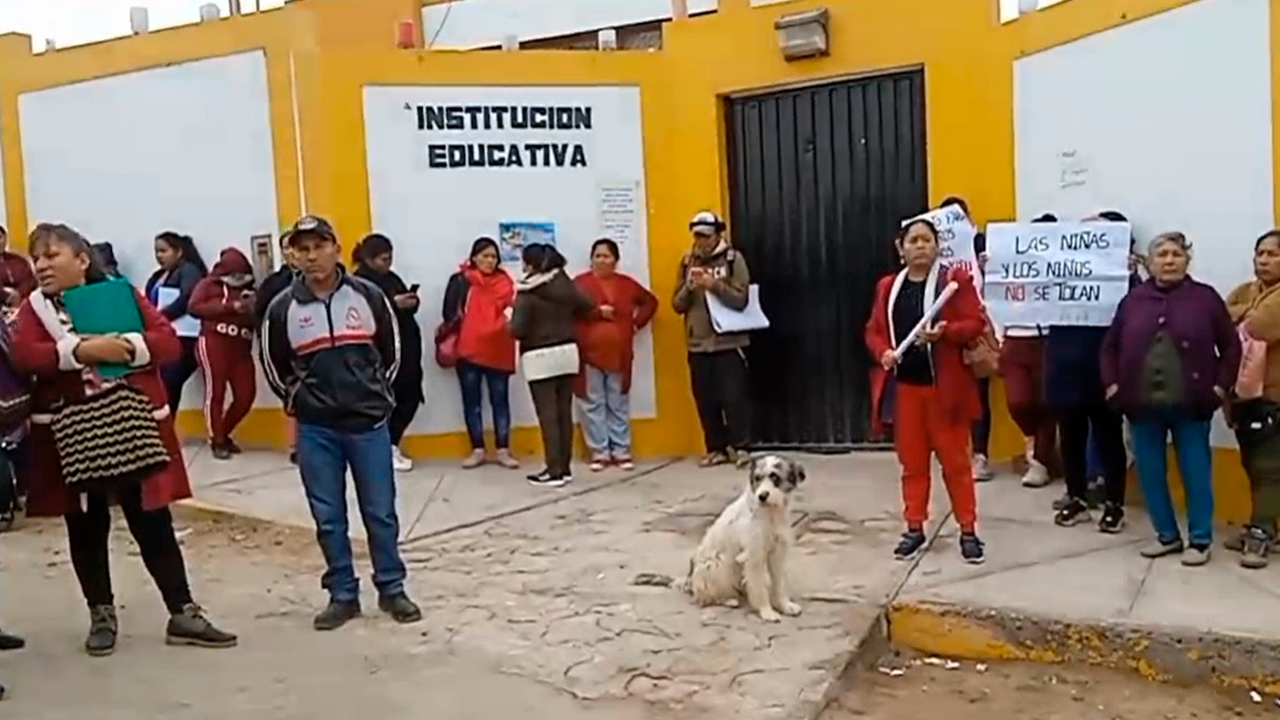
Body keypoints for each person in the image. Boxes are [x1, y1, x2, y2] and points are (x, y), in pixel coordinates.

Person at [10, 223, 235, 655]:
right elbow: (24, 356)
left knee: (152, 521)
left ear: (82, 260)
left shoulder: (120, 295)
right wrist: (79, 352)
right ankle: (102, 615)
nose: (41, 265)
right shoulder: (33, 310)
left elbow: (167, 343)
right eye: (36, 258)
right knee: (86, 526)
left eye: (52, 255)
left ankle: (183, 611)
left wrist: (127, 348)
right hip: (73, 437)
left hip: (132, 428)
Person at [260, 215, 421, 630]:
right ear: (293, 255)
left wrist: (376, 397)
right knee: (329, 517)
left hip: (368, 425)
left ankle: (392, 588)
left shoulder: (368, 296)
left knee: (380, 512)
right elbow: (273, 364)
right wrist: (300, 401)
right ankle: (343, 594)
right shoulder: (283, 308)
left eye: (320, 246)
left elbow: (392, 351)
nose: (312, 256)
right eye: (303, 249)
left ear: (336, 248)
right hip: (317, 430)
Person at [1101, 231, 1240, 566]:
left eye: (1176, 254)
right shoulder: (1133, 300)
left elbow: (1231, 347)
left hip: (1192, 405)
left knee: (1196, 474)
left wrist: (1219, 388)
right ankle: (1166, 536)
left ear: (1187, 260)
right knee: (1150, 473)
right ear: (1149, 263)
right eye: (1161, 254)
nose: (1169, 260)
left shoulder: (1205, 299)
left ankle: (1200, 541)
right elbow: (1109, 347)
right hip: (1141, 405)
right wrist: (1113, 387)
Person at [866, 219, 987, 564]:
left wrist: (946, 333)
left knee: (956, 464)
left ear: (937, 246)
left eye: (927, 240)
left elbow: (975, 323)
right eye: (913, 240)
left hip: (944, 391)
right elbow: (873, 330)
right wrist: (883, 352)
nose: (920, 246)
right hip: (906, 391)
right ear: (900, 248)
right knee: (912, 464)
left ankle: (968, 530)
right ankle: (914, 527)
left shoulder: (953, 282)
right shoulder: (888, 287)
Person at [1045, 211, 1133, 533]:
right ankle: (1076, 497)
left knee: (1109, 438)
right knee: (1070, 438)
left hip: (1104, 371)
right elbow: (1023, 291)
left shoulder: (1123, 278)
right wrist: (997, 267)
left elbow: (1136, 309)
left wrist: (1131, 274)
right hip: (1064, 366)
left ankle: (1114, 504)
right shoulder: (1057, 272)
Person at [509, 243, 596, 487]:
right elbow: (588, 306)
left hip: (539, 355)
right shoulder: (565, 285)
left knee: (547, 415)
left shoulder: (527, 291)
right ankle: (564, 468)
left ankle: (553, 470)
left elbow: (517, 329)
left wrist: (507, 319)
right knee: (563, 413)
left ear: (530, 264)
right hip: (568, 352)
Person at [673, 211, 753, 468]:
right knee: (705, 400)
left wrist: (714, 285)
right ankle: (716, 447)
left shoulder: (733, 259)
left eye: (706, 236)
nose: (701, 241)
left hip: (728, 341)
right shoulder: (687, 262)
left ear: (717, 235)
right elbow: (677, 305)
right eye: (697, 236)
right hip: (698, 343)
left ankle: (740, 446)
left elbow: (741, 299)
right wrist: (690, 287)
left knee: (734, 398)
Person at [573, 238, 658, 472]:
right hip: (588, 355)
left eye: (607, 256)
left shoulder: (626, 284)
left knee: (618, 402)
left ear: (616, 260)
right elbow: (569, 310)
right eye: (598, 256)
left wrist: (635, 324)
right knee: (592, 403)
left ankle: (621, 450)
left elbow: (650, 302)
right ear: (591, 259)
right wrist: (596, 313)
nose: (602, 260)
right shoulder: (579, 284)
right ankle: (599, 451)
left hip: (619, 355)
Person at [1225, 229, 1280, 568]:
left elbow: (1259, 327)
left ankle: (1261, 533)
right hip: (1243, 394)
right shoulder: (1248, 291)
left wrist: (1242, 315)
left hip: (1274, 395)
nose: (1264, 260)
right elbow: (1220, 319)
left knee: (1269, 467)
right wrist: (1244, 312)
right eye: (1260, 254)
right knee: (1252, 463)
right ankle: (1265, 525)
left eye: (1273, 254)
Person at [442, 237, 519, 470]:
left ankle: (503, 449)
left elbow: (513, 310)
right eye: (484, 256)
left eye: (493, 256)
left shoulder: (506, 283)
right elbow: (449, 312)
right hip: (469, 350)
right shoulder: (461, 280)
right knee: (472, 402)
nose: (489, 260)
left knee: (500, 401)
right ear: (474, 258)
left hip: (498, 348)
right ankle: (477, 449)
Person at [354, 234, 423, 473]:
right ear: (369, 259)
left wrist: (411, 302)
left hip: (406, 349)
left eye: (390, 258)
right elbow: (365, 313)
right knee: (385, 401)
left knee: (410, 396)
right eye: (383, 259)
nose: (388, 263)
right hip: (381, 353)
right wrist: (393, 304)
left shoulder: (391, 278)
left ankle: (391, 443)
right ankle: (383, 448)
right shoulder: (360, 284)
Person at [1000, 212, 1060, 487]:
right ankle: (1031, 438)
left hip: (1048, 338)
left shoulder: (1064, 267)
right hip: (1015, 338)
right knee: (1018, 401)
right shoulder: (1010, 266)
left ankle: (1040, 463)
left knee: (1047, 402)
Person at [939, 197, 995, 482]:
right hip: (945, 327)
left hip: (975, 325)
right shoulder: (935, 249)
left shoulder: (982, 244)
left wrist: (988, 266)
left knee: (979, 393)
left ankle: (980, 455)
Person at [188, 248, 258, 460]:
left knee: (246, 395)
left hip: (241, 345)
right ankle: (217, 440)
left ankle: (223, 432)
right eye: (233, 275)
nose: (238, 279)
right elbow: (194, 307)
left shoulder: (251, 289)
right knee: (215, 392)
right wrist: (229, 306)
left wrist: (253, 308)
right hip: (213, 342)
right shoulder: (208, 284)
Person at [145, 232, 208, 415]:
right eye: (156, 251)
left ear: (178, 252)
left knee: (171, 382)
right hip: (165, 336)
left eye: (164, 251)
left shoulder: (189, 271)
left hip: (185, 338)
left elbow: (187, 298)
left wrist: (161, 316)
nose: (159, 256)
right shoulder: (158, 276)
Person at [255, 230, 299, 464]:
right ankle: (297, 445)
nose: (292, 252)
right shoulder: (274, 283)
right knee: (292, 397)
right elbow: (260, 316)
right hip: (284, 350)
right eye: (287, 248)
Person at [0, 225, 36, 310]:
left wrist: (19, 293)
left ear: (5, 238)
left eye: (0, 238)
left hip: (25, 303)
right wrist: (7, 297)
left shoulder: (19, 260)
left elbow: (31, 280)